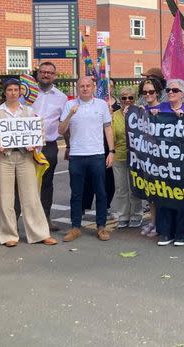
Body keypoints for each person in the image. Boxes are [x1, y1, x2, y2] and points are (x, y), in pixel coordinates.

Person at [0, 78, 57, 247]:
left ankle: (40, 233)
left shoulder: (29, 111)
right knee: (6, 197)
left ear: (20, 92)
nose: (13, 93)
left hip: (25, 157)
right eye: (9, 90)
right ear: (4, 92)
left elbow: (39, 132)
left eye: (16, 90)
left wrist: (35, 145)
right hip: (4, 158)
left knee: (31, 196)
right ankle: (9, 235)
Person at [59, 76, 114, 243]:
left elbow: (108, 128)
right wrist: (70, 114)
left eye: (87, 86)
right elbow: (61, 130)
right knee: (77, 193)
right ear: (77, 88)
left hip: (97, 154)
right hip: (77, 155)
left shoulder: (101, 105)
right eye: (81, 86)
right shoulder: (70, 105)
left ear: (93, 87)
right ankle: (75, 227)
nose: (84, 88)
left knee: (101, 192)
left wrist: (111, 151)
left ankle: (101, 226)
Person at [155, 79, 184, 246]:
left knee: (180, 196)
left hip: (182, 161)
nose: (170, 92)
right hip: (163, 159)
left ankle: (181, 233)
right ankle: (165, 232)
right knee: (164, 194)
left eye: (175, 90)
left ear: (183, 94)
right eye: (168, 89)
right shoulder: (161, 108)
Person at [28, 61, 68, 229]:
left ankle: (45, 219)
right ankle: (16, 221)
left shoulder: (62, 98)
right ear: (38, 74)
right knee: (23, 183)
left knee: (47, 183)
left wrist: (69, 146)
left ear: (55, 76)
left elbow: (64, 124)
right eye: (43, 72)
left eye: (50, 73)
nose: (46, 75)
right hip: (26, 145)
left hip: (48, 145)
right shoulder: (25, 93)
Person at [111, 87, 143, 229]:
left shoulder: (140, 112)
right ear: (120, 100)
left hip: (136, 157)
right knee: (121, 188)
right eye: (124, 98)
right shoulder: (115, 115)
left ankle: (136, 214)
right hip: (120, 156)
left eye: (130, 98)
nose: (127, 101)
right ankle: (123, 215)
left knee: (134, 188)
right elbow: (111, 136)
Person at [137, 78, 165, 238]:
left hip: (163, 158)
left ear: (158, 93)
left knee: (162, 192)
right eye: (145, 92)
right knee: (151, 193)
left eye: (151, 92)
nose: (148, 94)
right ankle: (153, 221)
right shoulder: (141, 110)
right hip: (146, 157)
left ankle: (161, 223)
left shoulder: (165, 108)